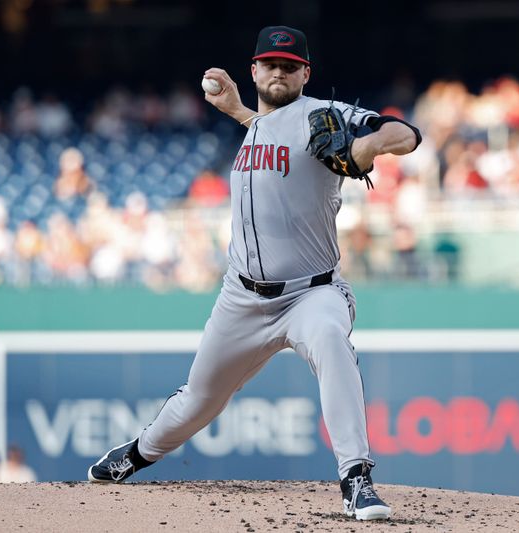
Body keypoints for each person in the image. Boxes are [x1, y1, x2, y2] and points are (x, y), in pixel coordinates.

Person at [88, 25, 420, 521]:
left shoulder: (321, 116)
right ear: (255, 70)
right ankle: (136, 454)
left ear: (306, 73)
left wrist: (366, 149)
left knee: (330, 339)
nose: (280, 72)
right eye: (271, 64)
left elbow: (405, 134)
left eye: (290, 65)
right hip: (241, 297)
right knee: (199, 400)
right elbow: (272, 135)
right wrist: (239, 112)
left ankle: (356, 478)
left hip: (312, 293)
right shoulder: (256, 127)